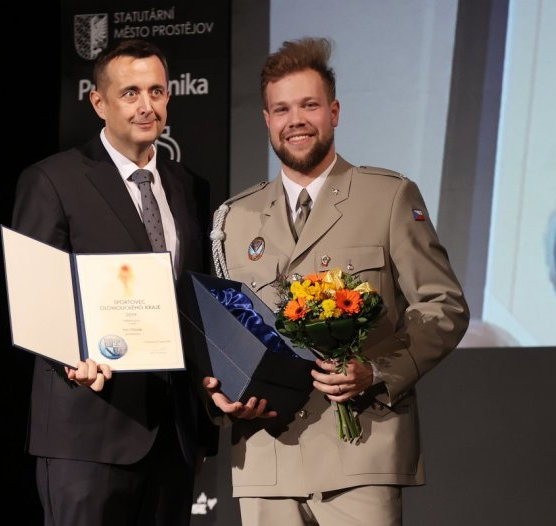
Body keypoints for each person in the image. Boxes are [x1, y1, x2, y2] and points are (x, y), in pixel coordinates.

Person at [206, 37, 470, 526]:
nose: (296, 120)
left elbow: (443, 305)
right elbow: (226, 335)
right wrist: (220, 394)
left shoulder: (388, 196)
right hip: (267, 457)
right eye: (281, 109)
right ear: (266, 120)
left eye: (309, 105)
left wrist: (377, 370)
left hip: (360, 451)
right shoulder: (234, 217)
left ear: (334, 111)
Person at [11, 39, 216, 526]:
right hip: (87, 427)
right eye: (130, 93)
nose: (147, 105)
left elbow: (192, 296)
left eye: (157, 91)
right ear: (99, 102)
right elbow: (36, 291)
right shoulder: (53, 179)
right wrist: (70, 357)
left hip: (172, 434)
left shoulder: (190, 186)